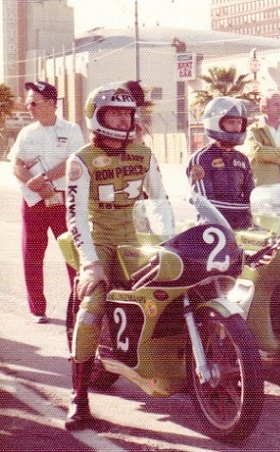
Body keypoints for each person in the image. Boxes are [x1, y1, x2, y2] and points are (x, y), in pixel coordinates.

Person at [64, 82, 174, 431]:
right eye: (115, 112)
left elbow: (161, 203)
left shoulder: (144, 154)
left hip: (136, 239)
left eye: (128, 112)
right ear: (97, 116)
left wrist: (169, 243)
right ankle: (78, 399)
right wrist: (90, 261)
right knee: (91, 312)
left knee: (174, 294)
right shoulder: (80, 160)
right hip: (102, 241)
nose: (124, 119)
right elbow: (76, 215)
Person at [8, 81, 84, 323]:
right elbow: (16, 164)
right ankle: (37, 309)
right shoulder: (26, 133)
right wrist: (34, 184)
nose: (29, 107)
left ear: (51, 103)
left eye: (34, 102)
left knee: (73, 253)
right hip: (34, 202)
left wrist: (43, 178)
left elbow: (73, 161)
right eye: (29, 102)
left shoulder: (71, 130)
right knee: (32, 254)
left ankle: (80, 306)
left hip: (62, 200)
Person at [187, 96, 254, 229]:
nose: (236, 127)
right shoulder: (201, 159)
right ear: (215, 122)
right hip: (213, 228)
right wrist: (244, 207)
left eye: (239, 123)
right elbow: (205, 203)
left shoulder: (243, 160)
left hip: (242, 226)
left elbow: (251, 196)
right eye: (231, 122)